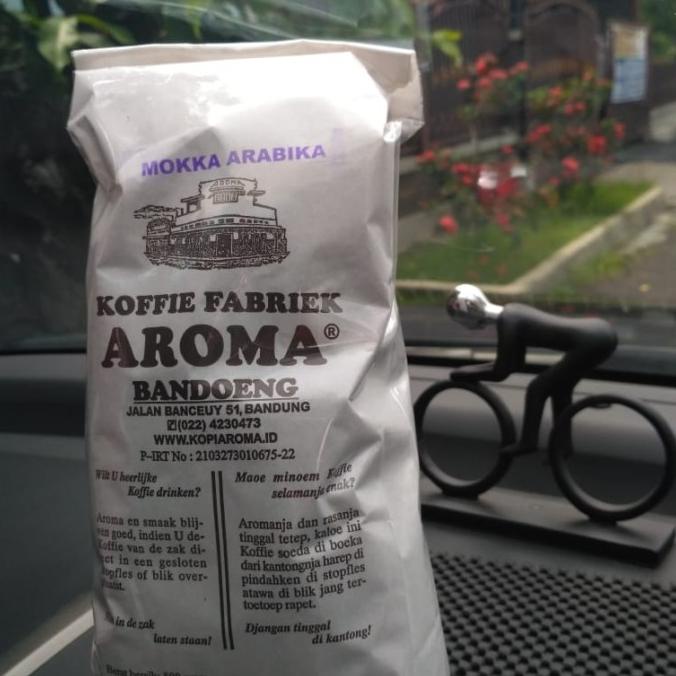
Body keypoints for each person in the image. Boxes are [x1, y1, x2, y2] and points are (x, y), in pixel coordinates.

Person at [447, 284, 617, 456]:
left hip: (591, 342)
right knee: (560, 390)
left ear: (469, 318)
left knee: (537, 389)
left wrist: (463, 372)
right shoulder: (514, 311)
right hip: (601, 332)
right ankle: (563, 446)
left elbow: (502, 371)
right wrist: (471, 372)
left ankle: (529, 441)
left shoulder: (508, 321)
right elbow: (515, 364)